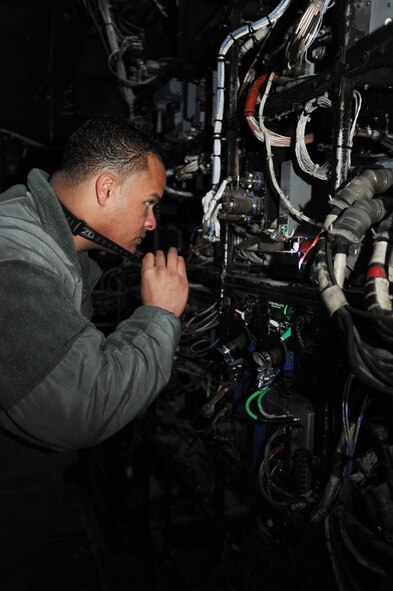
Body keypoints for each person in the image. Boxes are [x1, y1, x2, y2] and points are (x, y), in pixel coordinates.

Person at [0, 116, 189, 589]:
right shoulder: (16, 260)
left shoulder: (36, 228)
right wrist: (160, 315)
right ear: (106, 188)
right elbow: (82, 406)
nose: (151, 222)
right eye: (149, 203)